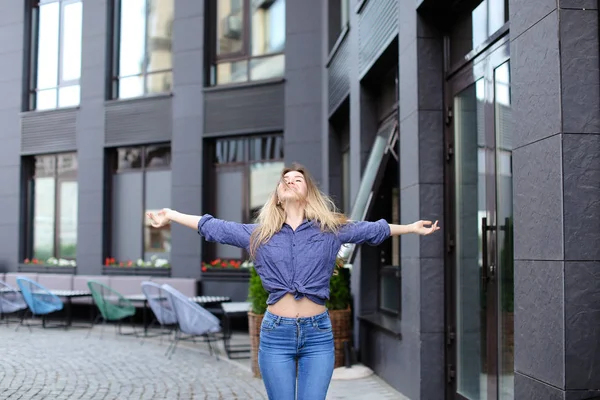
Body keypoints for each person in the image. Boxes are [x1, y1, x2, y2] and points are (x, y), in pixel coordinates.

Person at [147, 164, 439, 400]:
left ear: (308, 192)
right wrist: (171, 215)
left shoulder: (330, 231)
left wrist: (412, 228)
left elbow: (372, 230)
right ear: (276, 195)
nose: (289, 181)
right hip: (276, 335)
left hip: (318, 336)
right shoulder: (257, 234)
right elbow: (212, 228)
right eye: (284, 179)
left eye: (297, 179)